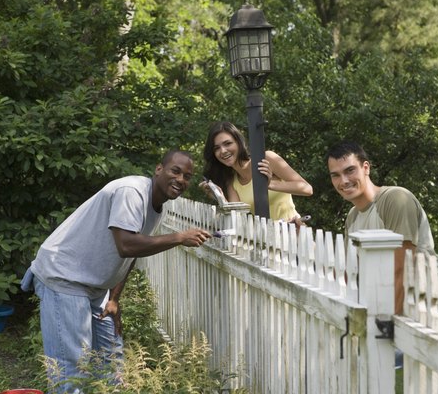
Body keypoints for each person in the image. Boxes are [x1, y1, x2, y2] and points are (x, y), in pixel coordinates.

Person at [20, 149, 211, 393]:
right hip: (64, 275)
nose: (181, 179)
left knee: (110, 362)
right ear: (159, 169)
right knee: (71, 369)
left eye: (188, 176)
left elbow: (131, 254)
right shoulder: (131, 192)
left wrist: (114, 299)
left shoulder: (155, 206)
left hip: (94, 286)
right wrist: (179, 237)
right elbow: (127, 244)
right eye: (176, 171)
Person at [326, 140, 436, 315]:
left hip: (429, 309)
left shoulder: (396, 199)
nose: (344, 181)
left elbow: (403, 268)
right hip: (389, 309)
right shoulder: (352, 216)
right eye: (336, 175)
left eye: (350, 170)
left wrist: (386, 324)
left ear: (366, 168)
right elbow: (349, 274)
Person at [200, 121, 313, 222]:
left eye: (228, 143)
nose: (223, 151)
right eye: (216, 148)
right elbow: (237, 219)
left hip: (295, 235)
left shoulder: (266, 159)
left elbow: (307, 189)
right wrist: (219, 197)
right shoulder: (231, 181)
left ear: (239, 142)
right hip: (267, 241)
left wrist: (269, 184)